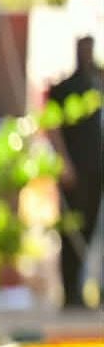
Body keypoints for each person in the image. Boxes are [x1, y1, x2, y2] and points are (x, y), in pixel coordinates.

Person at [47, 35, 103, 310]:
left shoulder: (99, 83)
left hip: (98, 171)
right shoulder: (65, 89)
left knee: (95, 230)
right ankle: (71, 294)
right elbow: (52, 125)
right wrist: (63, 162)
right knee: (73, 231)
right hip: (76, 171)